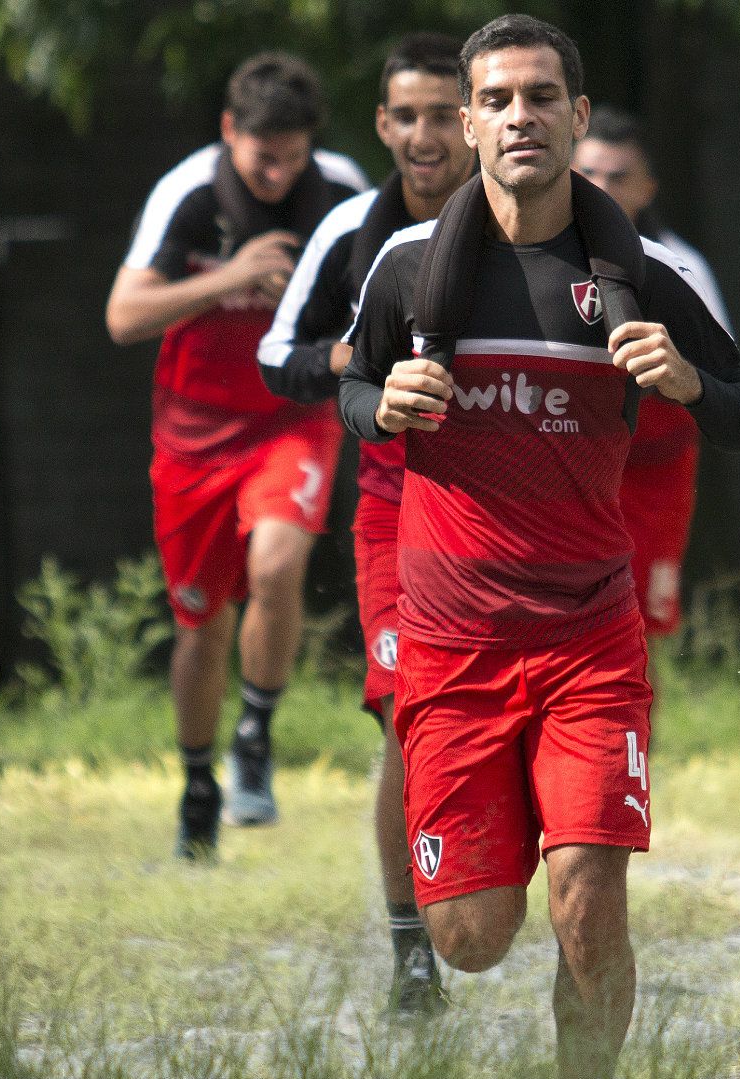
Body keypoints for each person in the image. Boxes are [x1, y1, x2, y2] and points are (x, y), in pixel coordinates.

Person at [337, 15, 740, 1077]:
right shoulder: (404, 269)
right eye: (497, 99)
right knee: (472, 936)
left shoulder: (645, 277)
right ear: (467, 123)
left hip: (589, 638)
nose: (518, 117)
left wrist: (688, 383)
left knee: (588, 889)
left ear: (577, 118)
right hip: (454, 646)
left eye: (540, 97)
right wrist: (378, 402)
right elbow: (351, 388)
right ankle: (506, 818)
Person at [256, 31, 474, 1016]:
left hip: (522, 499)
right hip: (396, 504)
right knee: (404, 714)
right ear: (383, 125)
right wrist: (358, 363)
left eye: (443, 114)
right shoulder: (353, 230)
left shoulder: (528, 220)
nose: (425, 135)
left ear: (473, 120)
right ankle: (410, 951)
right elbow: (279, 354)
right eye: (407, 116)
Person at [105, 52, 368, 859]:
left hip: (292, 414)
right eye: (264, 156)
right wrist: (228, 280)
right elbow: (123, 315)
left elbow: (381, 291)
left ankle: (253, 736)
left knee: (279, 564)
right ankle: (197, 783)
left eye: (292, 155)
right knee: (200, 625)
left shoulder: (340, 190)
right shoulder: (187, 192)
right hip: (192, 434)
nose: (278, 173)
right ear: (229, 131)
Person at [576, 106, 733, 648]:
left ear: (647, 189)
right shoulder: (537, 260)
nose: (601, 188)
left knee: (636, 632)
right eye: (589, 174)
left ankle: (636, 737)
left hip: (653, 471)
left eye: (618, 177)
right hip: (569, 464)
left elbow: (725, 384)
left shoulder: (679, 267)